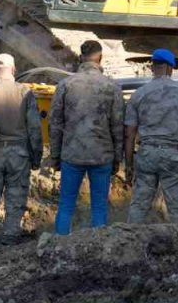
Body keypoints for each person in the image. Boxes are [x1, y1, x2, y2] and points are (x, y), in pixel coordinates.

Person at [50, 40, 125, 235]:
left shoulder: (65, 85)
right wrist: (118, 158)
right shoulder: (112, 87)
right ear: (100, 58)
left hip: (72, 154)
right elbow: (118, 126)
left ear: (81, 57)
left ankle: (58, 247)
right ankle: (96, 252)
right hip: (102, 156)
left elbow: (55, 124)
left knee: (66, 205)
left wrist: (55, 156)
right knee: (99, 208)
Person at [125, 48, 178, 223]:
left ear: (153, 67)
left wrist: (129, 165)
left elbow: (129, 134)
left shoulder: (139, 94)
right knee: (177, 213)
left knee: (138, 208)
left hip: (147, 154)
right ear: (170, 68)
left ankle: (129, 246)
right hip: (174, 155)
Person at [0, 54, 42, 238]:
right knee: (16, 197)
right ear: (13, 70)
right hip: (19, 153)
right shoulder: (25, 92)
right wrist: (36, 157)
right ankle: (11, 235)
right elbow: (35, 128)